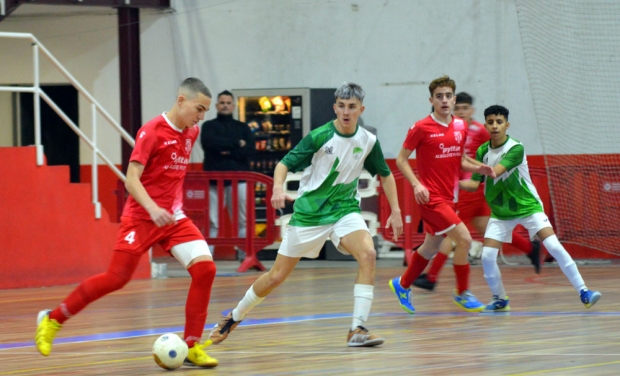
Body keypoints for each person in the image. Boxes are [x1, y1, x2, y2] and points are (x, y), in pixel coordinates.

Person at [34, 78, 219, 367]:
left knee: (205, 269)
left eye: (205, 111)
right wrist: (152, 208)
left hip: (173, 217)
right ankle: (52, 320)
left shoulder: (191, 132)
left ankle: (192, 345)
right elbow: (131, 180)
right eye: (199, 108)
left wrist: (165, 210)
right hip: (143, 216)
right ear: (181, 100)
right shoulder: (151, 132)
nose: (201, 117)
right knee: (116, 278)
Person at [207, 82, 403, 347]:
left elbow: (386, 174)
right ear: (335, 108)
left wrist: (397, 211)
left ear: (360, 109)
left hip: (344, 211)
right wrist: (277, 188)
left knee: (368, 254)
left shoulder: (368, 141)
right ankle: (234, 317)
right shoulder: (319, 136)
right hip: (309, 215)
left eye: (352, 107)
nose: (346, 111)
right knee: (276, 277)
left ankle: (357, 329)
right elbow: (283, 164)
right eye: (342, 106)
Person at [460, 104, 601, 312]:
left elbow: (493, 172)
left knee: (553, 245)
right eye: (490, 122)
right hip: (501, 212)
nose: (495, 126)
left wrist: (460, 160)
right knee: (487, 256)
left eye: (499, 122)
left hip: (528, 207)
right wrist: (451, 182)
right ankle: (499, 299)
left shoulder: (515, 148)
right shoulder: (482, 151)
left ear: (507, 125)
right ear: (485, 125)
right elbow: (473, 184)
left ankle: (584, 291)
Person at [388, 76, 496, 314]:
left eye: (448, 96)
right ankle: (462, 293)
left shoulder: (460, 126)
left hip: (449, 198)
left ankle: (402, 284)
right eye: (439, 96)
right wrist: (417, 184)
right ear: (432, 100)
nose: (444, 100)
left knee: (430, 246)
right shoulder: (421, 127)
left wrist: (480, 168)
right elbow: (401, 159)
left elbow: (461, 161)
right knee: (465, 239)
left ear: (454, 99)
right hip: (429, 199)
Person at [413, 92, 541, 292]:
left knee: (451, 234)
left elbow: (493, 152)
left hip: (468, 189)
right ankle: (529, 248)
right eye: (458, 109)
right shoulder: (454, 129)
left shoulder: (479, 131)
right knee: (484, 228)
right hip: (472, 190)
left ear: (471, 110)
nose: (461, 112)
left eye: (465, 108)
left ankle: (431, 277)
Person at [200, 90, 255, 253]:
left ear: (233, 106)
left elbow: (250, 151)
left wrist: (226, 150)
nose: (225, 105)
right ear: (217, 106)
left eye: (228, 103)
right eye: (222, 103)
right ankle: (205, 258)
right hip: (214, 182)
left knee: (242, 221)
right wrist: (238, 144)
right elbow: (209, 144)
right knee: (212, 221)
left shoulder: (243, 127)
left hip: (240, 181)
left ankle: (246, 256)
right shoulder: (208, 126)